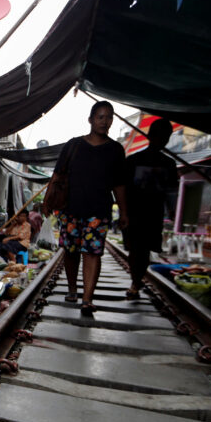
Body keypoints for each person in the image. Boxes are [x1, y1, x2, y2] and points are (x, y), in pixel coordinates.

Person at [55, 100, 129, 315]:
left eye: (109, 117)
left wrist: (124, 211)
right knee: (70, 251)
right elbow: (58, 175)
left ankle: (87, 299)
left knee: (93, 252)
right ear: (90, 119)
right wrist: (50, 201)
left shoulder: (116, 150)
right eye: (100, 117)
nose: (105, 121)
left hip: (99, 211)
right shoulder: (74, 145)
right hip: (70, 208)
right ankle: (72, 288)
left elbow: (120, 184)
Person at [123, 119, 178, 298]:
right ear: (150, 136)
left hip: (154, 214)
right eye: (160, 135)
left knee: (144, 251)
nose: (163, 140)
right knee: (135, 249)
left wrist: (172, 209)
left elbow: (171, 190)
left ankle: (136, 282)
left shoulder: (169, 164)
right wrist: (123, 212)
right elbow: (122, 187)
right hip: (134, 213)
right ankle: (135, 282)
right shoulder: (133, 161)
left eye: (166, 137)